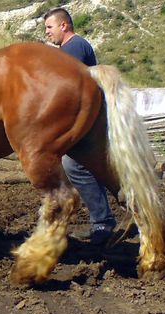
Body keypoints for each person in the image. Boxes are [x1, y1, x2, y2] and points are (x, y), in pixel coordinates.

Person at [44, 7, 116, 245]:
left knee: (74, 165)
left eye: (49, 27)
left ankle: (103, 222)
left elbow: (62, 86)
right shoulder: (71, 48)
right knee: (84, 166)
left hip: (86, 123)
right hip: (87, 121)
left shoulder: (73, 48)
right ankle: (105, 218)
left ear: (64, 26)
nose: (47, 33)